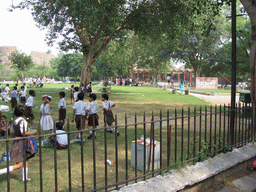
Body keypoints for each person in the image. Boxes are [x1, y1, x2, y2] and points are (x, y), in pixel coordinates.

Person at [0, 106, 37, 181]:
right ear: (23, 113)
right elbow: (23, 132)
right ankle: (1, 172)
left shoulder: (15, 121)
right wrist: (33, 132)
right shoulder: (23, 121)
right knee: (19, 164)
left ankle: (25, 177)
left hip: (16, 142)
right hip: (22, 142)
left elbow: (13, 134)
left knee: (26, 159)